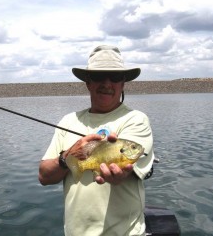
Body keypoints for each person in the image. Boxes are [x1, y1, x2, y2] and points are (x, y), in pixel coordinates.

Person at [39, 45, 154, 236]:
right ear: (88, 82)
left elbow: (123, 171)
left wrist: (117, 174)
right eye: (99, 76)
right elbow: (44, 176)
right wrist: (67, 157)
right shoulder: (68, 121)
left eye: (115, 77)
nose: (107, 83)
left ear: (123, 83)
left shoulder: (136, 119)